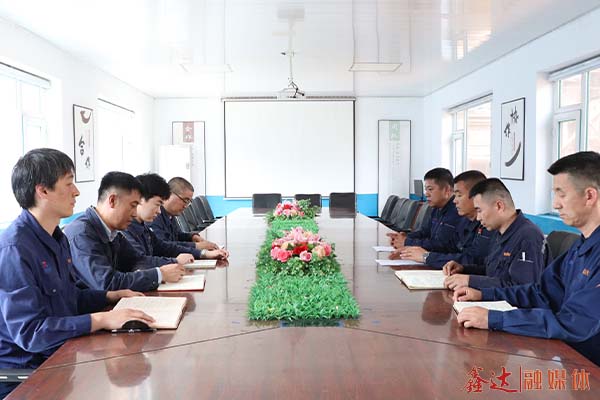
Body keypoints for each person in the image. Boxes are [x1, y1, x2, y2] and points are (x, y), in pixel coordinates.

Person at [0, 149, 153, 398]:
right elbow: (31, 333)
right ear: (43, 191)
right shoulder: (14, 249)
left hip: (59, 354)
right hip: (22, 374)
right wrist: (100, 320)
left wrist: (109, 296)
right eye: (69, 183)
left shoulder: (57, 238)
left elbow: (69, 297)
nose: (77, 192)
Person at [454, 151, 600, 366]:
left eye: (561, 194)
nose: (556, 204)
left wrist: (494, 319)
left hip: (589, 367)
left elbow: (575, 322)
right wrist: (483, 294)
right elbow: (541, 293)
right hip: (568, 357)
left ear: (589, 196)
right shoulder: (580, 247)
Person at [64, 172, 186, 291]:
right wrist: (159, 275)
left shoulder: (112, 231)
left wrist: (172, 263)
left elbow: (135, 260)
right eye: (133, 206)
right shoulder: (82, 233)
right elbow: (106, 283)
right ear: (112, 201)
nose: (135, 214)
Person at [444, 178, 546, 290]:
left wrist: (470, 281)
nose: (478, 218)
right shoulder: (499, 232)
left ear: (499, 206)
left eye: (479, 210)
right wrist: (464, 269)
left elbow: (523, 289)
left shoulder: (528, 236)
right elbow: (492, 273)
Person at [124, 173, 228, 265]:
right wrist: (175, 261)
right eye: (157, 204)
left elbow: (164, 247)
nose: (159, 211)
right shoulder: (126, 230)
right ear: (140, 199)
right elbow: (141, 262)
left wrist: (203, 252)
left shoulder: (143, 227)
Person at [394, 170, 492, 267]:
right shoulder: (465, 220)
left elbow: (473, 261)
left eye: (459, 195)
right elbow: (450, 247)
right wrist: (409, 243)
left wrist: (426, 256)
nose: (455, 201)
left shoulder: (487, 225)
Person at [388, 168, 463, 259]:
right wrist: (403, 237)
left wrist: (408, 242)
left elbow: (443, 245)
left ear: (446, 190)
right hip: (432, 258)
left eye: (430, 189)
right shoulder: (436, 208)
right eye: (426, 189)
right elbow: (425, 232)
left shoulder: (458, 212)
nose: (426, 194)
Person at [149, 177, 218, 251]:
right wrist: (195, 246)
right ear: (168, 194)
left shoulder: (170, 215)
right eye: (185, 200)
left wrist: (191, 237)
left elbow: (177, 235)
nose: (185, 206)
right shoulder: (154, 216)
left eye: (189, 202)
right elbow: (164, 246)